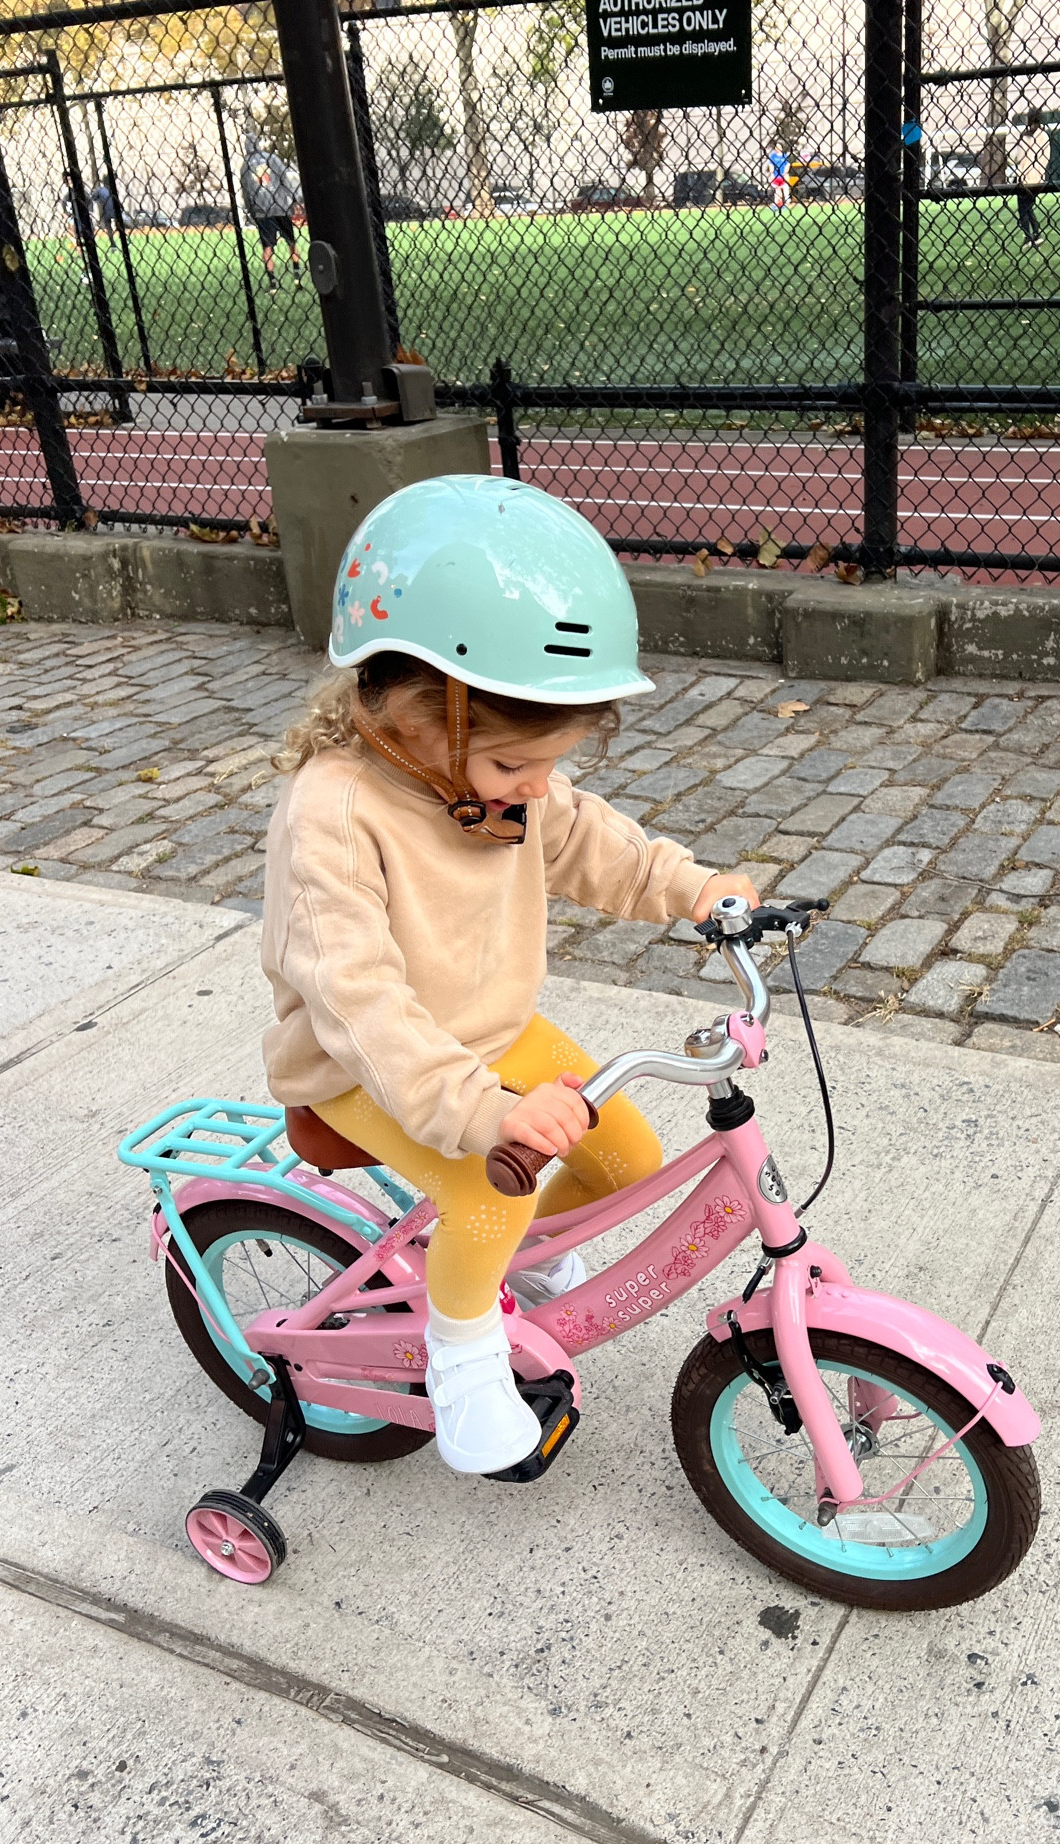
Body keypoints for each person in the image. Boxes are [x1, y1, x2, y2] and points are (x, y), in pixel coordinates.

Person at [262, 475, 759, 1475]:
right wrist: (482, 1113)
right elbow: (361, 1004)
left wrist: (698, 890)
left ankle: (516, 1274)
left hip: (494, 1037)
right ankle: (462, 1363)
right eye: (515, 766)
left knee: (626, 1155)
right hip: (370, 1069)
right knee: (496, 1196)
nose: (537, 787)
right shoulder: (332, 816)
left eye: (551, 761)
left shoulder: (502, 785)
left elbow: (595, 843)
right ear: (412, 712)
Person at [240, 134, 302, 288]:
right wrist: (293, 199)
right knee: (291, 241)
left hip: (262, 211)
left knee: (267, 247)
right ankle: (297, 275)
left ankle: (273, 282)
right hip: (279, 206)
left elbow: (245, 191)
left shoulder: (245, 165)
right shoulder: (272, 158)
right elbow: (284, 178)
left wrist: (251, 211)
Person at [1011, 107, 1050, 246]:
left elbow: (1017, 157)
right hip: (1038, 178)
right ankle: (1034, 234)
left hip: (1025, 177)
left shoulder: (1025, 137)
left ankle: (1030, 236)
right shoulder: (1044, 136)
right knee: (1028, 207)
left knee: (1023, 208)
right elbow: (1046, 157)